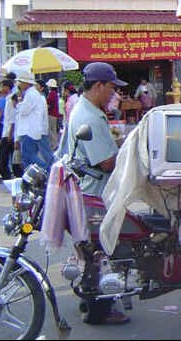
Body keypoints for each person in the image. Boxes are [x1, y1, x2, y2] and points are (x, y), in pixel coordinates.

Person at [65, 62, 129, 325]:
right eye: (111, 88)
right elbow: (106, 162)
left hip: (85, 191)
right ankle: (99, 311)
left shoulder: (85, 109)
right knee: (98, 252)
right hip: (94, 194)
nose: (113, 93)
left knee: (88, 251)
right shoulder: (90, 116)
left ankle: (89, 298)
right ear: (99, 85)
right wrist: (128, 152)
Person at [14, 72, 54, 172]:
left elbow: (23, 111)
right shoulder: (34, 94)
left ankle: (46, 170)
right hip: (33, 130)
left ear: (26, 83)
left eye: (21, 82)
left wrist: (19, 102)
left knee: (28, 157)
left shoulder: (30, 95)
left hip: (28, 131)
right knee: (29, 157)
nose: (19, 84)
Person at [0, 79, 14, 182]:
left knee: (2, 154)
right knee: (8, 153)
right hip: (7, 129)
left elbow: (1, 114)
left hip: (7, 130)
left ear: (7, 87)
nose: (1, 89)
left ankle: (5, 174)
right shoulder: (7, 98)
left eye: (2, 86)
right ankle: (7, 173)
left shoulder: (7, 99)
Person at [46, 78, 61, 150]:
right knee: (54, 130)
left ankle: (54, 144)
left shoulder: (51, 94)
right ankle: (55, 144)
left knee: (51, 130)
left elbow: (49, 103)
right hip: (55, 114)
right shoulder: (55, 93)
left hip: (51, 114)